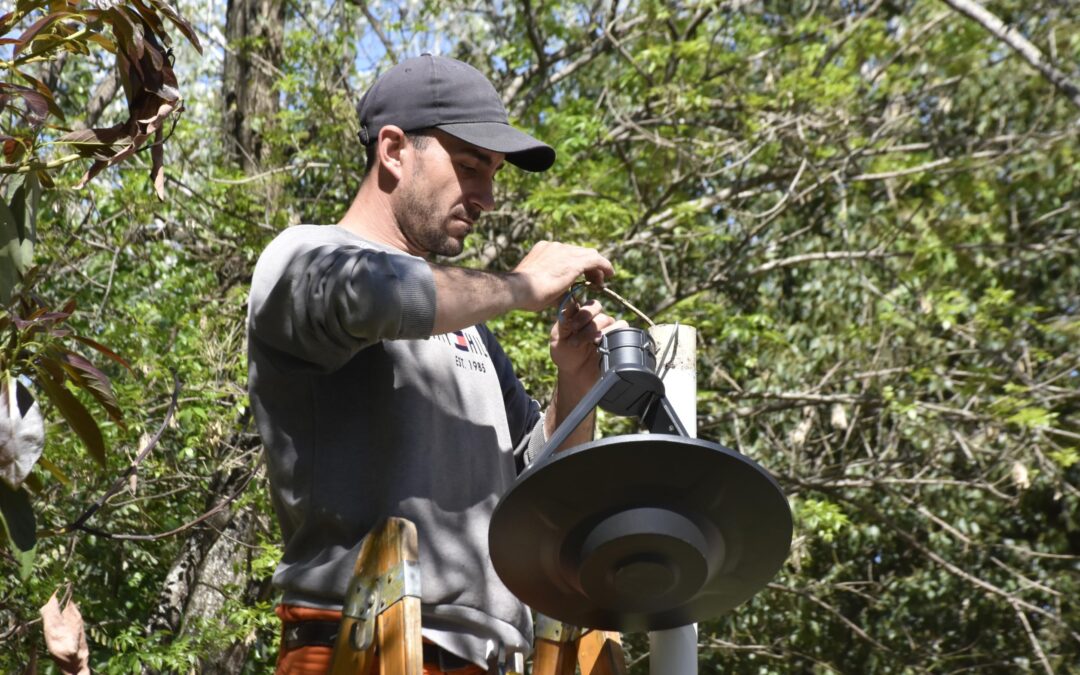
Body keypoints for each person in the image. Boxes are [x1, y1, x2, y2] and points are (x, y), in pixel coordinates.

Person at [247, 54, 624, 674]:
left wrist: (576, 384)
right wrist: (522, 286)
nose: (488, 197)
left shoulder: (468, 329)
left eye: (495, 174)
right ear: (393, 150)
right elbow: (377, 295)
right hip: (361, 643)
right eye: (471, 166)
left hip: (488, 660)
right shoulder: (303, 257)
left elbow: (539, 488)